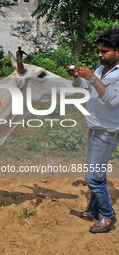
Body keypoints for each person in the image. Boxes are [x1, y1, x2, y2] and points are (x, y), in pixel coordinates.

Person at [67, 29, 119, 233]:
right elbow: (86, 90)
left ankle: (108, 216)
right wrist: (78, 77)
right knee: (98, 174)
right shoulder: (101, 69)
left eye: (105, 51)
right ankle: (92, 211)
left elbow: (112, 100)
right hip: (96, 127)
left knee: (93, 178)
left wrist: (91, 77)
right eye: (99, 51)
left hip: (107, 131)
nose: (100, 54)